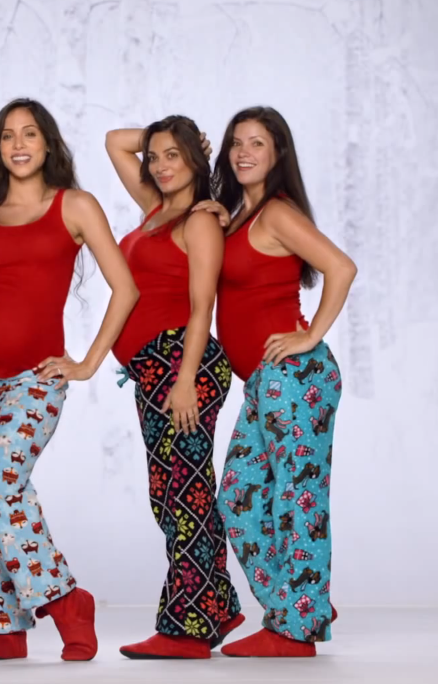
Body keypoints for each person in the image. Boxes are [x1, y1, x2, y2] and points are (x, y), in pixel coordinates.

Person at [0, 98, 139, 661]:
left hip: (36, 374)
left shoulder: (75, 205)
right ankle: (4, 625)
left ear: (48, 143)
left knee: (0, 484)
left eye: (29, 133)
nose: (18, 144)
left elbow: (125, 288)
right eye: (7, 135)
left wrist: (89, 362)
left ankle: (67, 601)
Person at [213, 106, 356, 657]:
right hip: (263, 383)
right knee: (239, 498)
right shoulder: (239, 217)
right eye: (236, 142)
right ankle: (303, 603)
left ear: (277, 154)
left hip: (296, 377)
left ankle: (295, 629)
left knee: (296, 497)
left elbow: (341, 267)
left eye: (257, 143)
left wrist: (310, 333)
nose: (244, 152)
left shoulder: (276, 212)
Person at [105, 116, 243, 659]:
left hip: (182, 365)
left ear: (195, 161)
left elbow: (202, 305)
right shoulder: (155, 209)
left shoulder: (199, 220)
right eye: (156, 157)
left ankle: (189, 627)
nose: (161, 166)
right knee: (172, 494)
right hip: (154, 369)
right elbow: (115, 142)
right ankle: (216, 606)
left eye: (174, 156)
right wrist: (168, 138)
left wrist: (185, 380)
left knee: (184, 493)